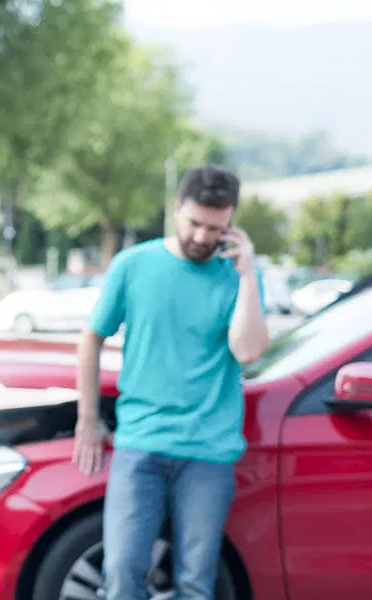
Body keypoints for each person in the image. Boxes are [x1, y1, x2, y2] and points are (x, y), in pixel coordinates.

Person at [72, 165, 269, 600]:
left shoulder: (240, 277)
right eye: (194, 222)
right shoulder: (133, 265)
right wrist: (87, 418)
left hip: (208, 452)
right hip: (140, 443)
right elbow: (91, 337)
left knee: (196, 583)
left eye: (215, 228)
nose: (202, 236)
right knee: (121, 570)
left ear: (231, 224)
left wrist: (246, 274)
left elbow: (248, 350)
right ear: (176, 208)